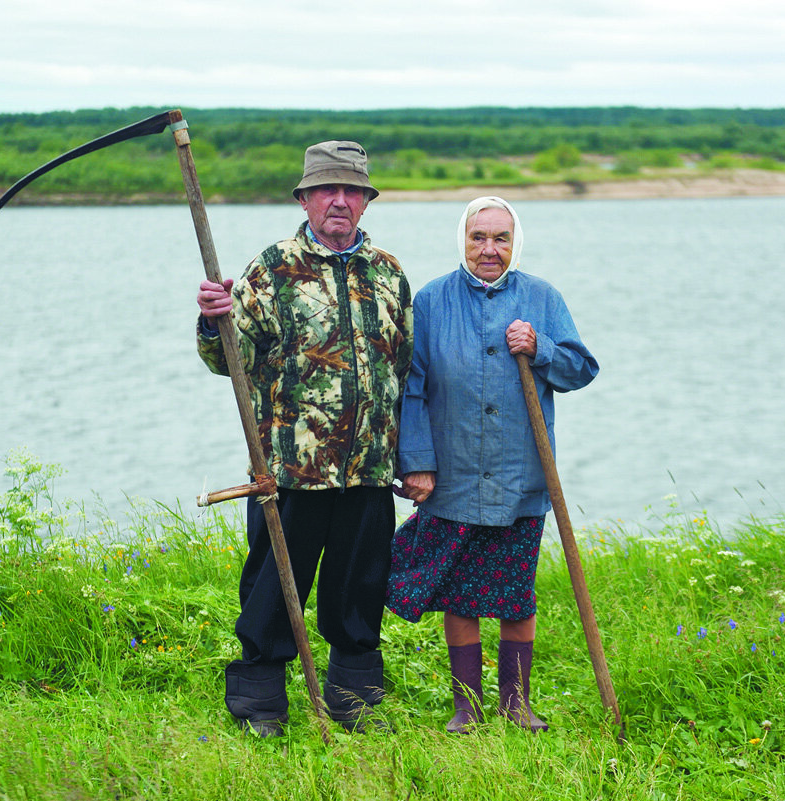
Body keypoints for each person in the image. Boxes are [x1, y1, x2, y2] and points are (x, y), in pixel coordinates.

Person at [197, 141, 413, 737]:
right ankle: (260, 705)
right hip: (290, 471)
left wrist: (411, 457)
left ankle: (356, 699)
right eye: (326, 190)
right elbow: (227, 360)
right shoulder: (272, 269)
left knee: (359, 589)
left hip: (368, 469)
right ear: (305, 199)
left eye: (351, 191)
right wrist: (214, 318)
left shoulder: (389, 273)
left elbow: (404, 367)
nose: (339, 201)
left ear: (366, 202)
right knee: (271, 590)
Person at [386, 196, 598, 733]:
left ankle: (516, 703)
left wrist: (541, 347)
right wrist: (416, 462)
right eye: (479, 237)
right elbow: (411, 390)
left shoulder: (541, 298)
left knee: (515, 593)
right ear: (463, 238)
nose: (489, 249)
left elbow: (581, 369)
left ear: (514, 242)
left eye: (500, 238)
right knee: (460, 592)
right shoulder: (431, 301)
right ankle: (467, 707)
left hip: (521, 474)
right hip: (452, 474)